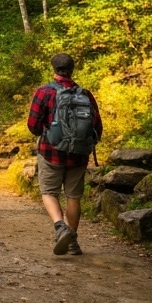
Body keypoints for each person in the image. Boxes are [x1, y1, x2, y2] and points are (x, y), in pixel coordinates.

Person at [28, 52, 102, 256]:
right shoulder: (85, 94)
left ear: (54, 69)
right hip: (78, 155)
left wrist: (47, 133)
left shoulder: (44, 92)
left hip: (51, 152)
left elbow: (33, 125)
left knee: (49, 192)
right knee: (74, 197)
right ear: (72, 69)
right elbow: (97, 127)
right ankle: (73, 241)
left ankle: (60, 226)